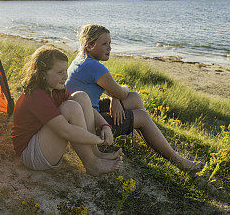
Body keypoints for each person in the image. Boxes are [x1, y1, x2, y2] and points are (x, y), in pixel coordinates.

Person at [66, 24, 201, 171]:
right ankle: (176, 159)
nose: (109, 48)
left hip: (84, 114)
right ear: (90, 45)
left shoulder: (80, 59)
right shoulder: (96, 67)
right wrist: (118, 95)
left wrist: (115, 99)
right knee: (142, 116)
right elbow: (122, 92)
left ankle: (152, 141)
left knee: (135, 98)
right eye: (104, 44)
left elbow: (113, 91)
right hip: (90, 125)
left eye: (110, 43)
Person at [11, 45, 123, 176]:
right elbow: (66, 131)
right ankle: (92, 164)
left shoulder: (56, 89)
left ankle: (96, 153)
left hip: (44, 141)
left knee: (80, 96)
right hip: (32, 154)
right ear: (42, 75)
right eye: (59, 72)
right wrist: (99, 139)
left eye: (66, 71)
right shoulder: (36, 95)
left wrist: (105, 126)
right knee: (71, 108)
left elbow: (87, 108)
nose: (65, 76)